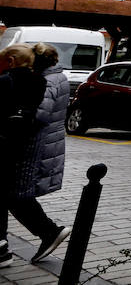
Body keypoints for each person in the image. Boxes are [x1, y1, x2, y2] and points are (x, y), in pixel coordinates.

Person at [10, 43, 69, 263]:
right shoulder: (59, 76)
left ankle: (49, 232)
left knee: (18, 195)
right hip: (45, 144)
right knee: (16, 195)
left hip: (36, 146)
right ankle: (48, 232)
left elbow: (38, 117)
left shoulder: (48, 81)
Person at [0, 44, 45, 268]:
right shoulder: (39, 81)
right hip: (18, 145)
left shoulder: (5, 81)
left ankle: (1, 249)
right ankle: (1, 248)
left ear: (11, 61)